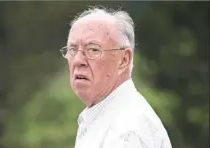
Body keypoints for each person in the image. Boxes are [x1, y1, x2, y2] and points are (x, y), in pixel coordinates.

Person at [60, 6, 172, 148]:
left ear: (124, 59)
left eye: (93, 49)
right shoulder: (106, 119)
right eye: (72, 49)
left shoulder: (126, 133)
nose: (77, 60)